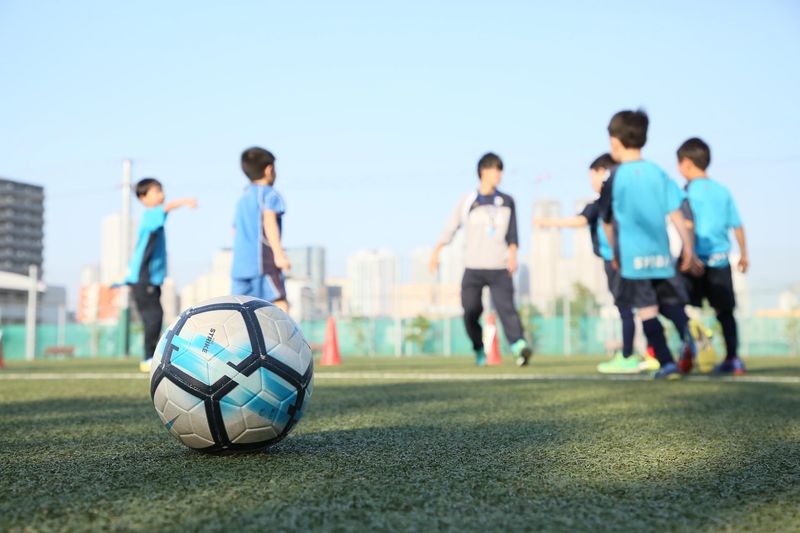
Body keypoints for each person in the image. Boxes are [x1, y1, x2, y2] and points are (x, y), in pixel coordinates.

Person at [534, 154, 658, 374]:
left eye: (593, 175)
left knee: (626, 308)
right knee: (644, 306)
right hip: (632, 259)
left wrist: (546, 222)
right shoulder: (624, 201)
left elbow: (579, 221)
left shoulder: (602, 203)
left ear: (603, 173)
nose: (591, 181)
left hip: (617, 262)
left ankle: (628, 356)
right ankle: (652, 353)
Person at [598, 110, 698, 380]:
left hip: (634, 259)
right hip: (661, 256)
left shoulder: (614, 176)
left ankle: (667, 363)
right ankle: (690, 333)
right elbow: (676, 212)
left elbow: (606, 221)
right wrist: (688, 247)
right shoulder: (657, 172)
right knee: (670, 305)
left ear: (615, 141)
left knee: (647, 312)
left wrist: (615, 251)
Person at [430, 153, 532, 367]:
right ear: (483, 171)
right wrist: (436, 252)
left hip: (499, 266)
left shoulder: (507, 201)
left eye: (500, 170)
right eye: (496, 169)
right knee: (470, 311)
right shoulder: (468, 201)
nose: (499, 174)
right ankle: (478, 348)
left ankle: (519, 346)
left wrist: (513, 256)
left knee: (507, 309)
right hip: (473, 267)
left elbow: (513, 234)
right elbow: (450, 227)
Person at [677, 137, 748, 375]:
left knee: (684, 309)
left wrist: (688, 254)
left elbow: (687, 225)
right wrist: (744, 254)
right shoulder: (722, 191)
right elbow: (737, 225)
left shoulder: (686, 192)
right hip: (720, 261)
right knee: (725, 312)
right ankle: (733, 358)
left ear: (686, 163)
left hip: (694, 261)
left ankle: (688, 352)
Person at [124, 178, 197, 372]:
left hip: (149, 279)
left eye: (161, 190)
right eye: (156, 191)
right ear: (143, 198)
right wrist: (185, 201)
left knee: (155, 316)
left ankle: (151, 356)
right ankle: (149, 358)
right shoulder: (151, 215)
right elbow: (166, 208)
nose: (162, 195)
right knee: (154, 316)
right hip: (143, 277)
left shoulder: (154, 217)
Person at [231, 147, 291, 313]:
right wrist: (279, 254)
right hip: (263, 264)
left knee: (239, 311)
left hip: (240, 267)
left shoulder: (243, 198)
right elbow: (269, 220)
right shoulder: (269, 195)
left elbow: (234, 231)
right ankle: (287, 332)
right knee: (279, 303)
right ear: (269, 169)